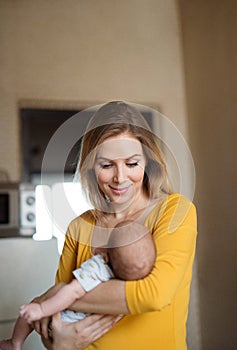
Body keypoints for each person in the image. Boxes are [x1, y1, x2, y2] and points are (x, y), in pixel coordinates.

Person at [5, 100, 197, 350]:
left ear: (148, 161)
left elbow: (153, 294)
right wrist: (59, 343)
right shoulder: (80, 227)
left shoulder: (174, 211)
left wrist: (60, 295)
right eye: (106, 165)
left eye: (131, 163)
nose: (120, 177)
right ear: (91, 167)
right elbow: (54, 324)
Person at [0, 221, 156, 350]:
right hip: (87, 333)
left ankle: (15, 343)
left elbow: (71, 291)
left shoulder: (97, 268)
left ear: (105, 254)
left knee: (34, 304)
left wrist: (41, 309)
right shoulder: (131, 280)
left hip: (63, 323)